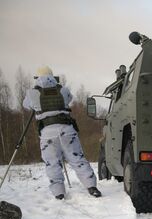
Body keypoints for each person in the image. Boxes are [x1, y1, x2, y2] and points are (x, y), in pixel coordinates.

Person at [23, 66, 102, 200]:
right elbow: (69, 98)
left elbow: (26, 105)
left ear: (37, 77)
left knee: (52, 163)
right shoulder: (63, 90)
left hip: (48, 133)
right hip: (67, 130)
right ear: (52, 76)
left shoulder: (32, 93)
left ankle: (59, 193)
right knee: (77, 159)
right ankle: (91, 187)